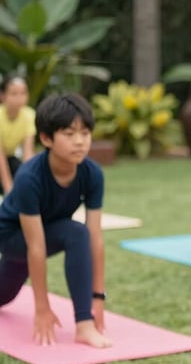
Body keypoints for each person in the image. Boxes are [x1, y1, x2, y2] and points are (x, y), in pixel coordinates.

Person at [0, 93, 110, 348]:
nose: (80, 142)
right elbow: (35, 247)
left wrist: (99, 297)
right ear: (46, 139)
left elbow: (96, 237)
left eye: (85, 133)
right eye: (69, 134)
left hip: (48, 231)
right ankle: (84, 325)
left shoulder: (92, 174)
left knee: (3, 296)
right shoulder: (30, 177)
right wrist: (42, 308)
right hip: (10, 237)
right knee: (75, 232)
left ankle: (86, 322)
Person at [0, 75, 36, 195]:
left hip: (10, 158)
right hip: (1, 158)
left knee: (24, 173)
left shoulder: (30, 115)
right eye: (14, 94)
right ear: (3, 96)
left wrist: (28, 181)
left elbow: (28, 152)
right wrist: (8, 187)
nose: (19, 98)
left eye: (23, 93)